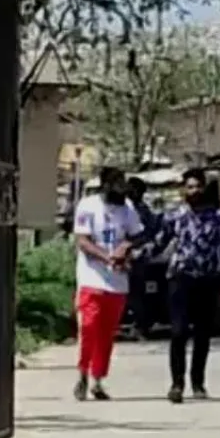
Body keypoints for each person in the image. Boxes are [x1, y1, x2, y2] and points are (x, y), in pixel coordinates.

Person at [141, 167, 220, 403]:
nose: (194, 191)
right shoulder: (176, 216)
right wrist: (134, 256)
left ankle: (198, 382)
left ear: (204, 189)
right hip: (180, 278)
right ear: (184, 189)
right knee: (178, 332)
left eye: (198, 187)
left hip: (207, 280)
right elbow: (159, 242)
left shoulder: (218, 218)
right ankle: (177, 384)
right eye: (190, 187)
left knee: (203, 333)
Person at [72, 166, 146, 401]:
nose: (122, 188)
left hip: (117, 282)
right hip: (91, 278)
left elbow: (139, 234)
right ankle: (82, 373)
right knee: (89, 327)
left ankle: (98, 379)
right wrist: (107, 257)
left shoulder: (128, 209)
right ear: (105, 185)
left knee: (106, 333)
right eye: (117, 183)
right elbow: (83, 241)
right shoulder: (88, 205)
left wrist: (126, 247)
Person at [125, 176, 161, 337]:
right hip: (125, 255)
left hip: (136, 257)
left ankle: (141, 324)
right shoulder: (125, 208)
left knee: (135, 293)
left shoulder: (141, 210)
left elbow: (151, 232)